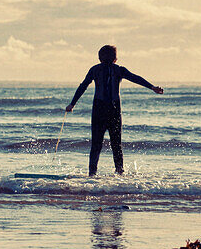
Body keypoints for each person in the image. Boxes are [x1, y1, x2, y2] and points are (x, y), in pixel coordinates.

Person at [66, 45, 163, 176]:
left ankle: (92, 174)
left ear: (99, 58)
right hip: (114, 109)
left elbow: (83, 86)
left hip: (99, 109)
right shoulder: (118, 70)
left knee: (96, 144)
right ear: (115, 59)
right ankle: (119, 173)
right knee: (116, 144)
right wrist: (152, 87)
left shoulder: (95, 69)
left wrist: (72, 104)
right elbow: (136, 78)